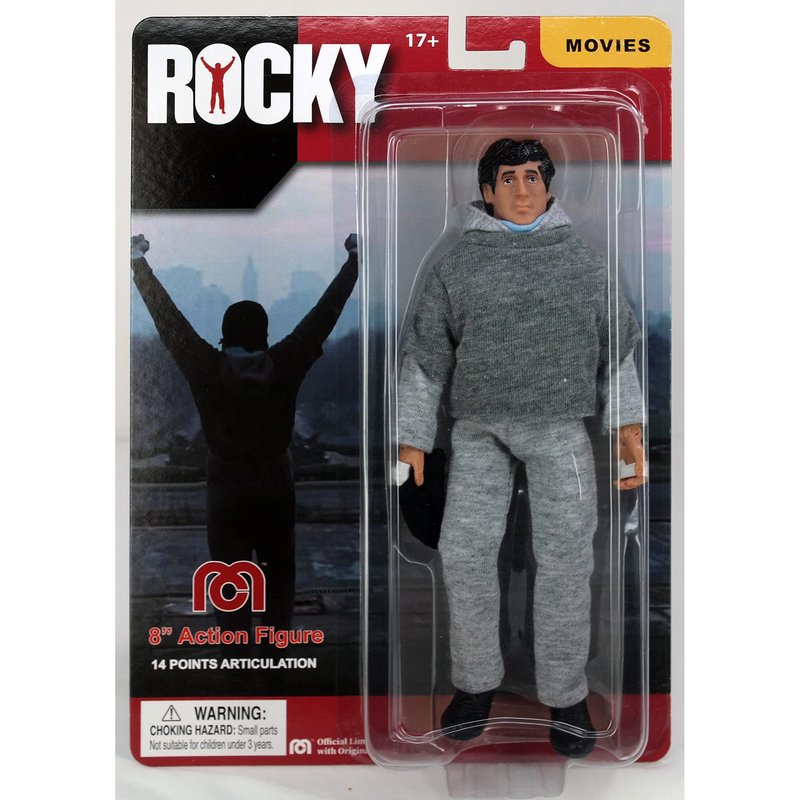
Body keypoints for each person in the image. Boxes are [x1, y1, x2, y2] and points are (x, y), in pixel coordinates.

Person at [396, 138, 645, 757]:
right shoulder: (457, 267)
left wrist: (627, 430)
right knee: (464, 554)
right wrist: (412, 440)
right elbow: (425, 361)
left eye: (533, 176)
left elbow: (616, 355)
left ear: (549, 185)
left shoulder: (582, 264)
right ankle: (475, 683)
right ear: (487, 191)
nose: (523, 189)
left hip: (560, 430)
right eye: (508, 179)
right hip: (479, 432)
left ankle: (566, 693)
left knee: (567, 560)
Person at [131, 233, 358, 634]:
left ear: (225, 334)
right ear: (264, 334)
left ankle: (236, 650)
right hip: (275, 481)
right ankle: (275, 652)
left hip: (225, 484)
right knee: (279, 576)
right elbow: (324, 315)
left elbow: (168, 321)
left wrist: (139, 263)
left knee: (228, 579)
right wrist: (354, 262)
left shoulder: (205, 367)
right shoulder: (284, 362)